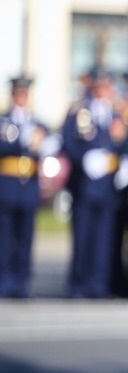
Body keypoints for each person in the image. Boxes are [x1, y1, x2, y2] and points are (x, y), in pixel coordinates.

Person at [61, 68, 128, 299]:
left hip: (108, 187)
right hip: (85, 186)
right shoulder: (79, 111)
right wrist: (84, 158)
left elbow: (125, 144)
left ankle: (99, 284)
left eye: (108, 86)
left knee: (105, 240)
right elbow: (68, 142)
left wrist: (126, 161)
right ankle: (79, 284)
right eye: (101, 86)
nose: (105, 90)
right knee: (83, 237)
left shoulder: (118, 113)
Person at [0, 76, 57, 298]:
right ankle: (4, 280)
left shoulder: (38, 123)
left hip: (29, 187)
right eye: (19, 93)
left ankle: (21, 282)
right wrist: (21, 141)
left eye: (25, 93)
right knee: (4, 237)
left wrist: (44, 144)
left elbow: (51, 147)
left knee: (25, 238)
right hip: (7, 185)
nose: (22, 97)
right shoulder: (4, 121)